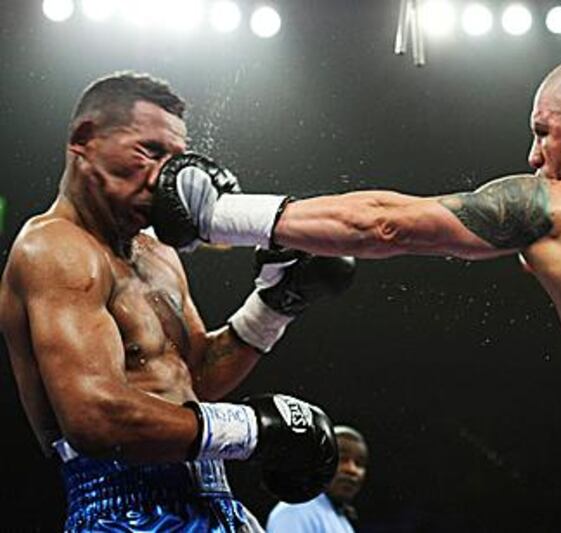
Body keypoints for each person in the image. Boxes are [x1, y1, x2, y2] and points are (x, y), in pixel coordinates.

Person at [152, 51, 561, 531]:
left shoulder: (559, 206)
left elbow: (384, 223)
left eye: (544, 130)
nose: (533, 154)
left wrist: (217, 214)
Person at [0, 72, 357, 532]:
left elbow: (198, 379)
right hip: (123, 507)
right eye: (149, 152)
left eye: (175, 160)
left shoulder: (156, 252)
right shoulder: (54, 248)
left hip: (213, 496)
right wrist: (254, 429)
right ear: (85, 140)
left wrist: (275, 304)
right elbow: (93, 418)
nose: (164, 178)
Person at [266, 425, 368, 532]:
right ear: (319, 461)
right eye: (342, 459)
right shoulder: (296, 510)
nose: (352, 470)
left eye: (359, 463)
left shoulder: (343, 522)